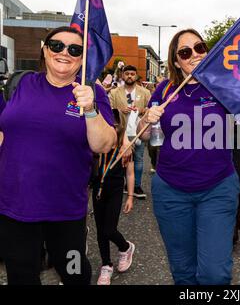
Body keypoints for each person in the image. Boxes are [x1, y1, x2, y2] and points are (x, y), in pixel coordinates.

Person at [0, 26, 116, 285]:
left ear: (82, 59)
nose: (65, 52)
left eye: (74, 49)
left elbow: (105, 145)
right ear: (45, 50)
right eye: (57, 45)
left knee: (75, 273)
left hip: (65, 211)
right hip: (15, 208)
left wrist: (89, 110)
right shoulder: (21, 83)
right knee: (21, 276)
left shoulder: (93, 94)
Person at [138, 29, 239, 285]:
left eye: (200, 48)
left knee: (215, 274)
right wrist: (146, 120)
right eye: (185, 52)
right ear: (175, 60)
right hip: (171, 191)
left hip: (217, 188)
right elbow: (144, 136)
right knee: (182, 270)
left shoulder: (223, 85)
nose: (194, 55)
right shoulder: (164, 89)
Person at [92, 109, 136, 285]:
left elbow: (130, 174)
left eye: (116, 125)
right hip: (97, 190)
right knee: (100, 231)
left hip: (115, 190)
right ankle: (106, 265)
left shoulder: (124, 149)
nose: (113, 127)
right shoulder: (96, 144)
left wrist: (130, 196)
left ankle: (125, 247)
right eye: (110, 124)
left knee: (109, 229)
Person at [109, 65, 151, 199]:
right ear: (122, 75)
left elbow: (150, 109)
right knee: (121, 159)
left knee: (138, 159)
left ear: (136, 76)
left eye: (132, 74)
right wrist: (120, 109)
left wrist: (142, 110)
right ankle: (119, 185)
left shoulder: (145, 92)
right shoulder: (115, 92)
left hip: (138, 130)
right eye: (127, 73)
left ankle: (136, 185)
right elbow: (108, 109)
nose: (129, 76)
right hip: (121, 132)